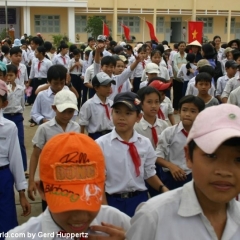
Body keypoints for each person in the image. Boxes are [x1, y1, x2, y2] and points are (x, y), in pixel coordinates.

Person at [127, 104, 240, 240]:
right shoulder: (154, 217)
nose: (224, 172)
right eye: (211, 156)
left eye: (238, 159)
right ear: (188, 156)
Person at [9, 132, 131, 240]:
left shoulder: (117, 221)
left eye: (89, 201)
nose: (80, 217)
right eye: (67, 205)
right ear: (41, 190)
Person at [96, 92, 169, 217]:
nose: (122, 117)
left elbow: (149, 173)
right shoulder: (100, 144)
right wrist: (105, 208)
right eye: (117, 112)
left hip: (139, 199)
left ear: (138, 117)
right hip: (113, 200)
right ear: (111, 113)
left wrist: (163, 189)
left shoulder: (144, 143)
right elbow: (99, 180)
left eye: (128, 113)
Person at [28, 90, 80, 210]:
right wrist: (31, 181)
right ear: (54, 108)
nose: (66, 115)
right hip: (50, 180)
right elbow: (35, 155)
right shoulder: (44, 129)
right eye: (63, 111)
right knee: (51, 211)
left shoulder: (75, 127)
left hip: (71, 179)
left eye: (70, 111)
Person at [0, 80, 31, 238]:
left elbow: (16, 161)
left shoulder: (9, 127)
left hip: (3, 178)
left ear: (4, 103)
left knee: (5, 222)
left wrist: (22, 193)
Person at [155, 95, 205, 190]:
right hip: (172, 177)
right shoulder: (169, 132)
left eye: (193, 111)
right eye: (184, 110)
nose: (187, 114)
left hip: (196, 177)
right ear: (179, 111)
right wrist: (171, 166)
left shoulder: (204, 135)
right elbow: (157, 156)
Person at [2, 64, 27, 175]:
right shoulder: (3, 89)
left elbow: (22, 103)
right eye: (7, 75)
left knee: (20, 142)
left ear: (16, 75)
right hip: (6, 115)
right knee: (7, 142)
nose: (9, 78)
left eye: (11, 75)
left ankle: (23, 168)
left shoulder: (21, 88)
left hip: (17, 116)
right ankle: (9, 166)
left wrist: (21, 113)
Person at [79, 72, 115, 140]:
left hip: (111, 135)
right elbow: (82, 124)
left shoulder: (112, 103)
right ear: (96, 88)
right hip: (96, 137)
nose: (109, 88)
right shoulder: (89, 104)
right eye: (105, 86)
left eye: (110, 85)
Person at [173, 41, 187, 113]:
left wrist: (183, 73)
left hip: (185, 77)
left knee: (183, 93)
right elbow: (174, 65)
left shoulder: (187, 55)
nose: (182, 47)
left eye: (183, 46)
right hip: (177, 78)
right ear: (178, 47)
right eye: (181, 46)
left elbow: (188, 65)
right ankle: (175, 108)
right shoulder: (175, 56)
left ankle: (181, 108)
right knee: (176, 93)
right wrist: (179, 72)